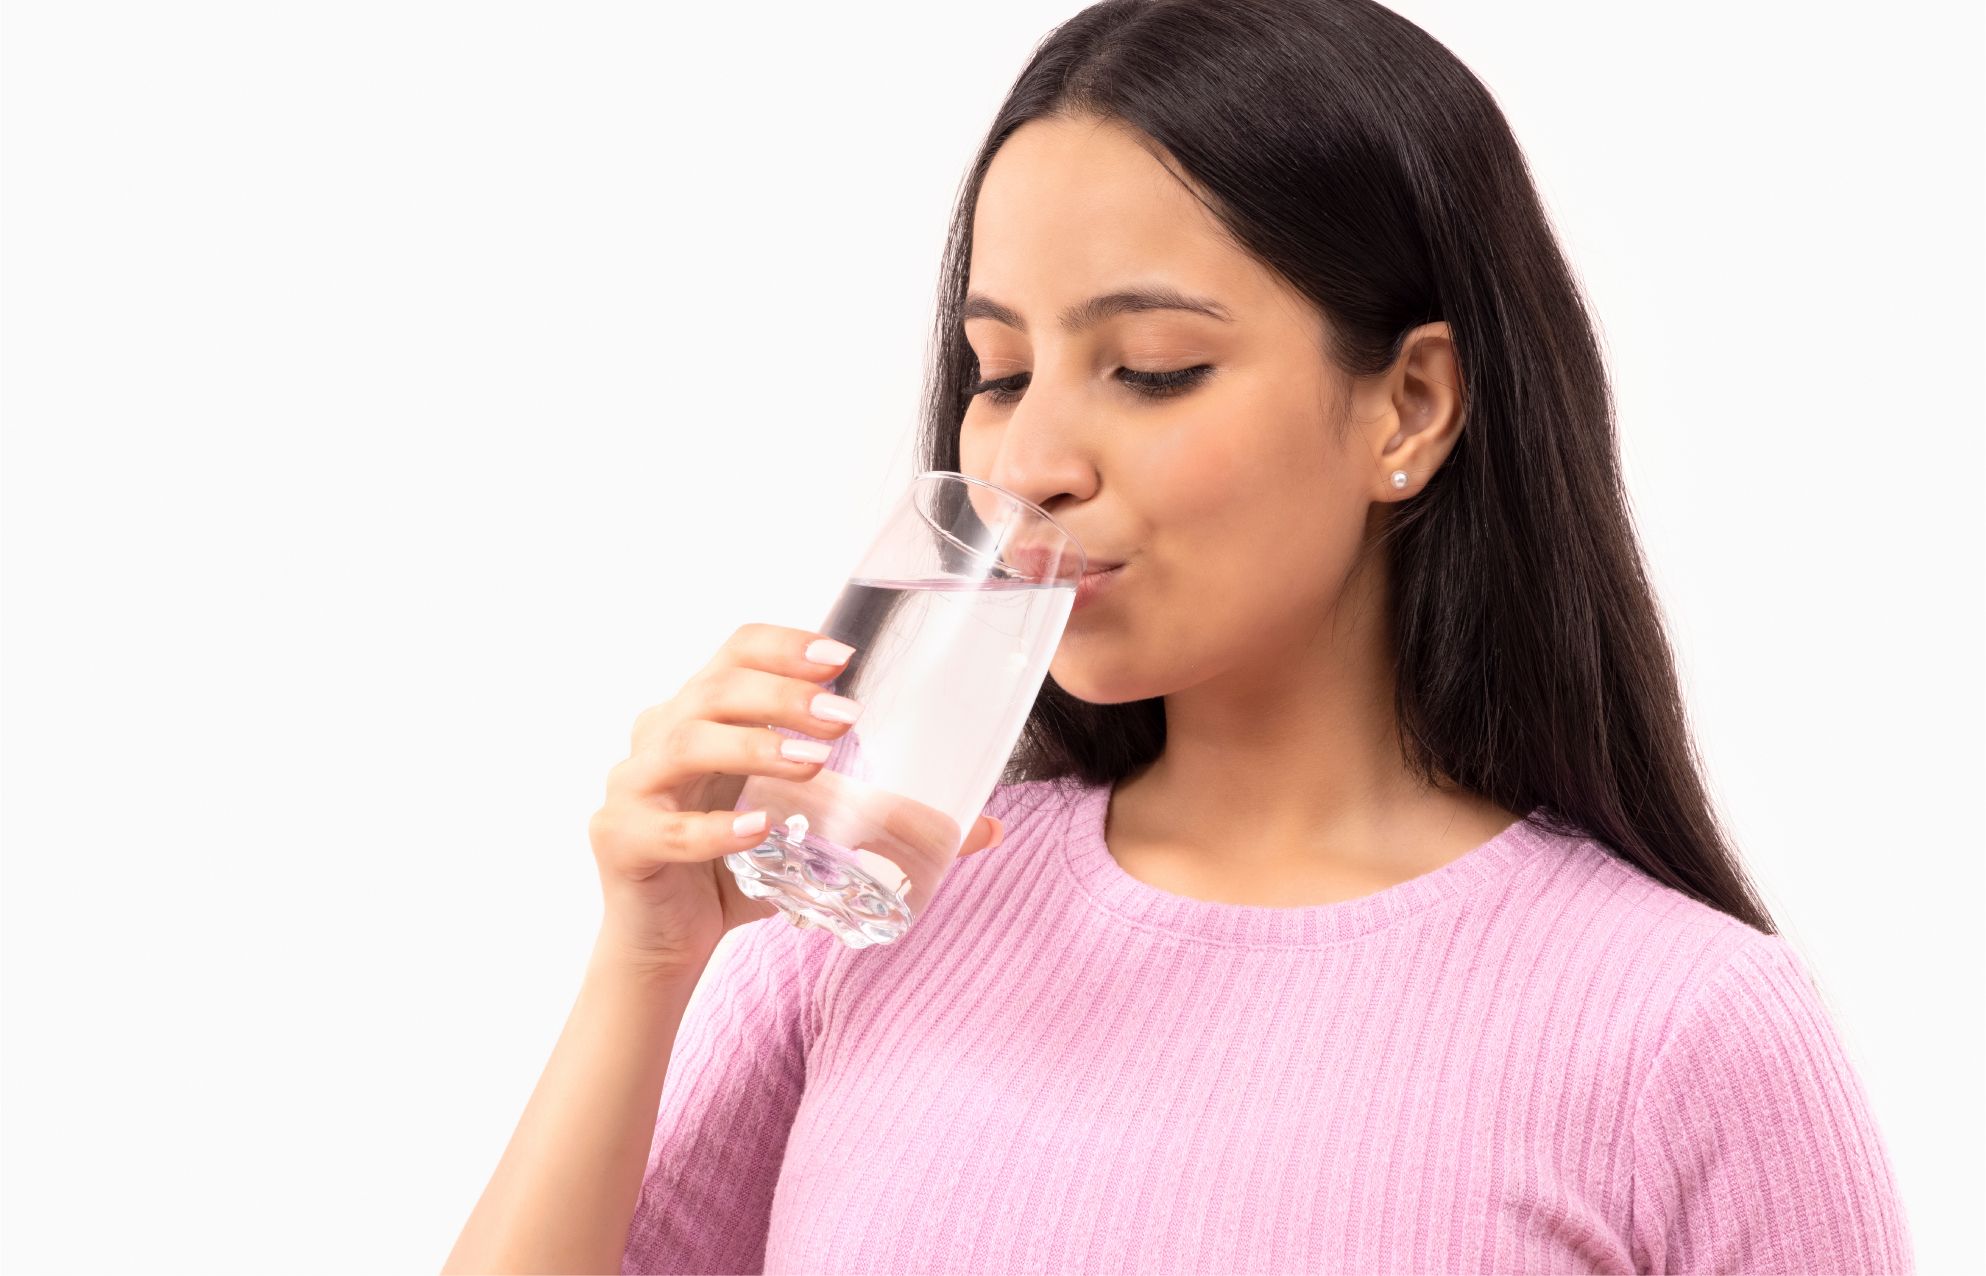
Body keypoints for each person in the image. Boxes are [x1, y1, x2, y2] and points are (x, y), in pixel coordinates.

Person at [443, 0, 1916, 1271]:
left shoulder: (1683, 1030)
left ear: (1407, 405)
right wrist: (644, 964)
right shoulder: (862, 928)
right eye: (1000, 370)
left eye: (1150, 369)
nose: (1028, 464)